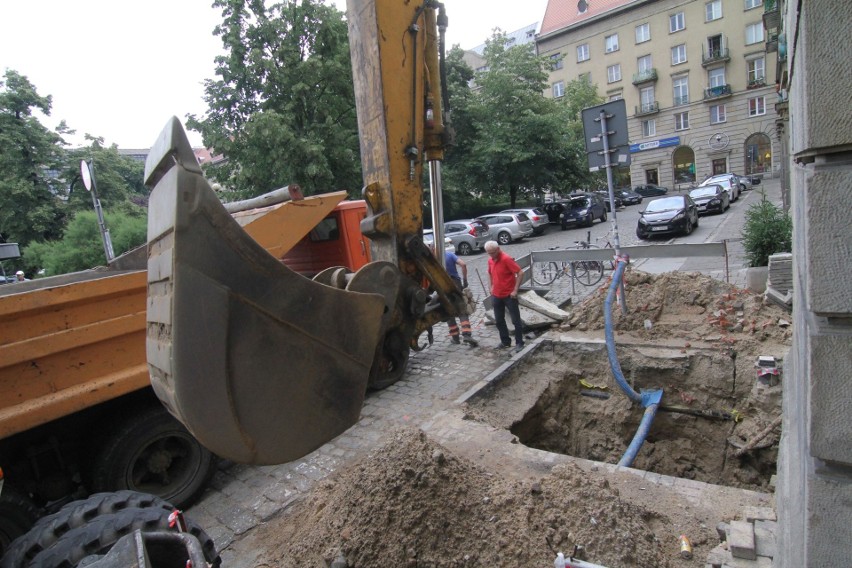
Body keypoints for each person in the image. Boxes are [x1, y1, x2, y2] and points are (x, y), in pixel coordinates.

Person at [429, 243, 478, 347]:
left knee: (448, 310)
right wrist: (465, 280)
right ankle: (467, 335)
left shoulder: (432, 260)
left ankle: (455, 338)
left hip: (441, 287)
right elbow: (463, 264)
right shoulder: (449, 255)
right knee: (462, 310)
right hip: (455, 284)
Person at [484, 240, 525, 352]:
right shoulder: (490, 260)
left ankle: (519, 342)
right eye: (489, 253)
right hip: (496, 295)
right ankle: (505, 341)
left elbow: (520, 273)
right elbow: (489, 273)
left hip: (509, 295)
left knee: (515, 320)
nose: (491, 255)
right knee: (499, 320)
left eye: (493, 252)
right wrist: (490, 287)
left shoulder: (506, 259)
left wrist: (515, 290)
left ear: (498, 249)